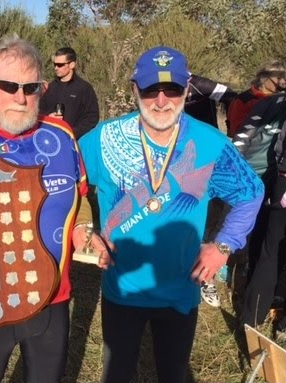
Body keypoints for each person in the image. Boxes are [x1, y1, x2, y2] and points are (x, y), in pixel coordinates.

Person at [78, 46, 264, 383]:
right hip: (123, 288)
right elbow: (64, 185)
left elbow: (250, 193)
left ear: (188, 87)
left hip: (181, 289)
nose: (161, 101)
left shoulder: (210, 142)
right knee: (116, 374)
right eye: (151, 89)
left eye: (173, 89)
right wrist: (82, 228)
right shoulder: (103, 139)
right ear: (135, 88)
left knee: (173, 373)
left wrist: (222, 246)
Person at [0, 36, 109, 383]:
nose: (20, 97)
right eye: (9, 85)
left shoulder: (62, 136)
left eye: (30, 87)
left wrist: (83, 232)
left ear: (42, 88)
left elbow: (79, 197)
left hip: (51, 297)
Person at [184, 74, 237, 308]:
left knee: (210, 212)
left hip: (207, 152)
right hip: (177, 155)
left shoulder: (200, 84)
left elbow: (233, 96)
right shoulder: (161, 87)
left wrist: (231, 127)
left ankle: (208, 275)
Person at [239, 92, 286, 337]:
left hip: (282, 178)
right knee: (271, 248)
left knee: (271, 249)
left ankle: (252, 320)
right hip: (282, 178)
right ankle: (263, 322)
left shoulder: (277, 100)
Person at [39, 47, 99, 140]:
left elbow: (92, 117)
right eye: (54, 64)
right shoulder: (50, 88)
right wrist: (48, 117)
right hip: (50, 140)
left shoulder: (84, 88)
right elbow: (38, 112)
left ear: (72, 65)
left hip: (75, 142)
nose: (56, 68)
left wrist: (72, 132)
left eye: (60, 65)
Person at [227, 60, 285, 138]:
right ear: (264, 78)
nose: (281, 82)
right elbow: (237, 132)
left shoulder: (280, 99)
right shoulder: (244, 100)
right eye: (278, 78)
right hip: (249, 146)